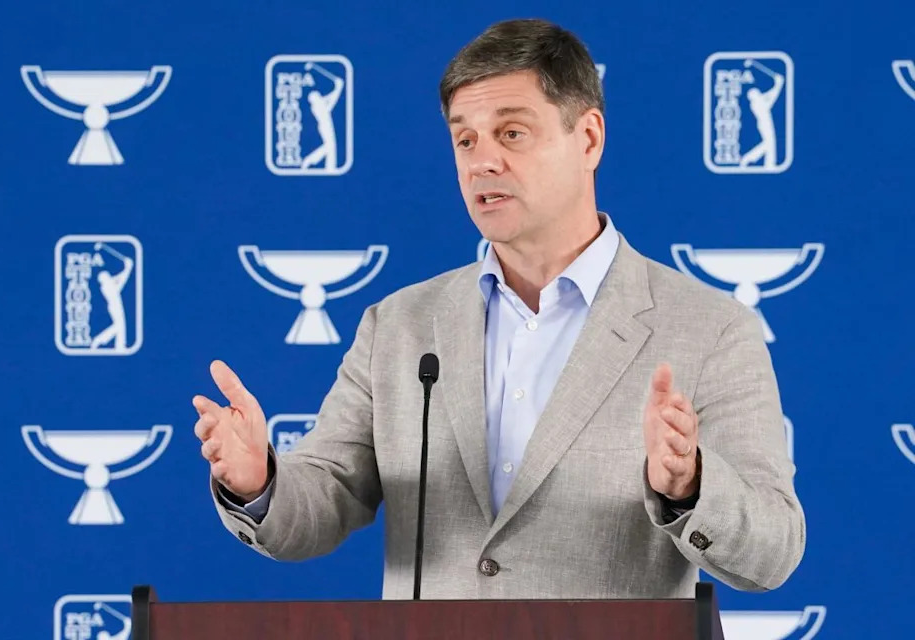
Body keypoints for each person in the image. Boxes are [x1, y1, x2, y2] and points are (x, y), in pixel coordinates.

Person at [193, 18, 805, 599]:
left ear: (588, 137)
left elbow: (774, 551)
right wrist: (258, 482)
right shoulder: (400, 324)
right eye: (465, 138)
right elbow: (326, 495)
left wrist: (691, 486)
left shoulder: (708, 327)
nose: (482, 160)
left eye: (512, 133)